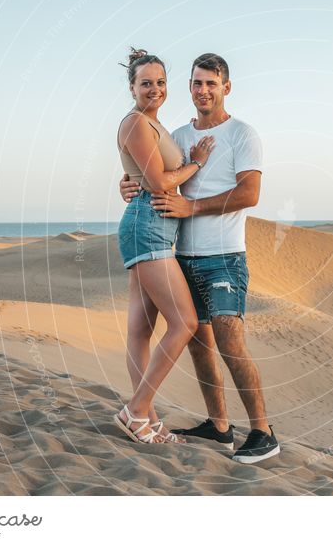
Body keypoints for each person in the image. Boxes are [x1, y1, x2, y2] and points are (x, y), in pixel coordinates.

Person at [120, 53, 280, 464]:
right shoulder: (173, 132)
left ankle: (262, 431)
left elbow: (249, 194)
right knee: (197, 343)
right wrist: (130, 184)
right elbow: (155, 174)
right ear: (189, 87)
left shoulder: (243, 134)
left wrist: (192, 208)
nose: (203, 90)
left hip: (224, 256)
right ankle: (218, 426)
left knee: (229, 338)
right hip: (181, 253)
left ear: (227, 87)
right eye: (197, 83)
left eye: (212, 83)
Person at [112, 48, 216, 445]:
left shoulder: (153, 126)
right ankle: (136, 411)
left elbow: (141, 176)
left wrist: (134, 180)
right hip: (148, 228)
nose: (154, 89)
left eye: (159, 82)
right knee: (185, 323)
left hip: (149, 226)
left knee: (141, 329)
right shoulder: (137, 123)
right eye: (145, 83)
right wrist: (196, 163)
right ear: (132, 87)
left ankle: (147, 419)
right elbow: (158, 183)